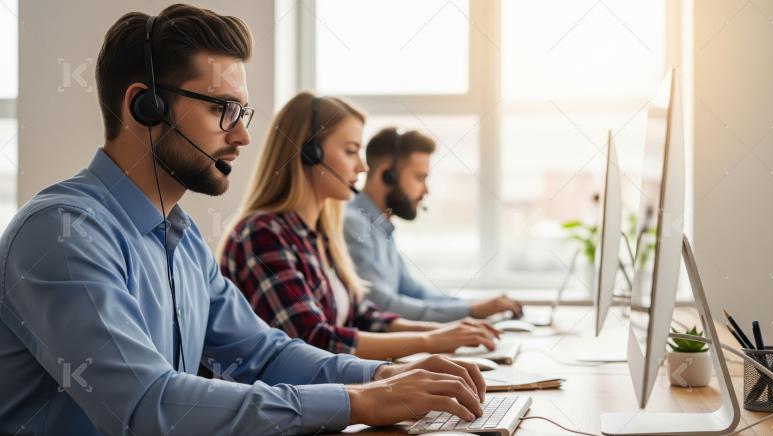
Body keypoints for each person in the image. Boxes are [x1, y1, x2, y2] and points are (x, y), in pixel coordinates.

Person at [0, 5, 487, 435]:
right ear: (143, 107)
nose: (242, 137)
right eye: (222, 110)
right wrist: (355, 402)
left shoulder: (184, 242)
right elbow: (146, 406)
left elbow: (263, 354)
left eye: (243, 113)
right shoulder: (63, 234)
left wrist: (381, 378)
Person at [218, 92, 500, 361]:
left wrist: (447, 334)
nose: (363, 168)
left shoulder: (321, 235)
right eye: (351, 151)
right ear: (309, 153)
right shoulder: (263, 234)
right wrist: (430, 342)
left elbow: (365, 317)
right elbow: (313, 340)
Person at [343, 127, 524, 322]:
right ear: (388, 175)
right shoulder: (354, 225)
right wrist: (470, 311)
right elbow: (383, 306)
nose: (426, 190)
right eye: (420, 178)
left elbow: (414, 291)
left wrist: (474, 305)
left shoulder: (381, 227)